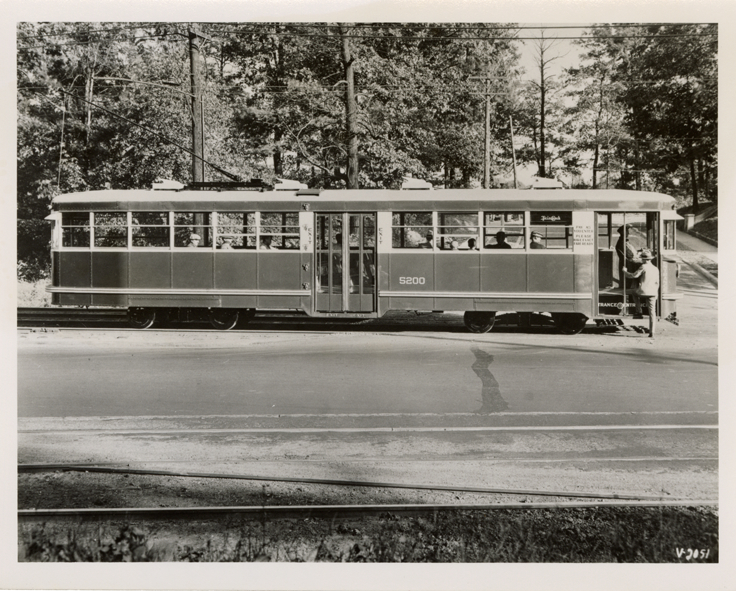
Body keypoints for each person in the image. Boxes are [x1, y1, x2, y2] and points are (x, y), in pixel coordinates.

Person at [623, 248, 660, 337]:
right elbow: (657, 283)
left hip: (642, 291)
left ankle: (639, 310)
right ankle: (652, 332)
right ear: (650, 259)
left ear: (643, 259)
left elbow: (634, 275)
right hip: (653, 292)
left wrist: (625, 271)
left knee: (633, 292)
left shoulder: (643, 266)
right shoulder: (655, 269)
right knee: (652, 313)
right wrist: (656, 293)